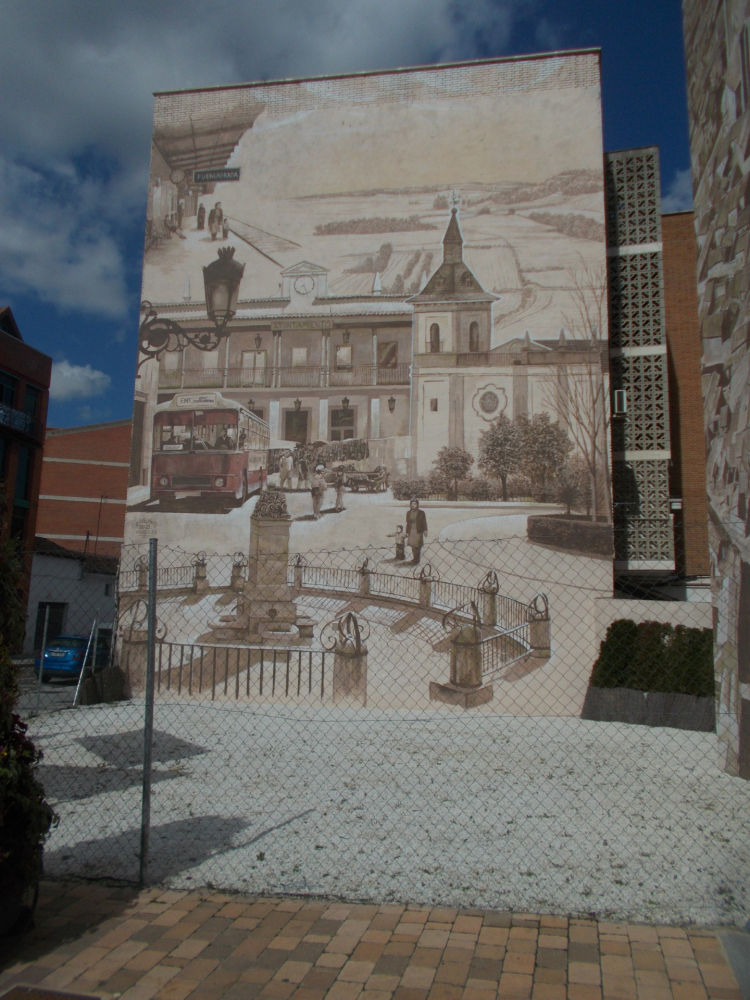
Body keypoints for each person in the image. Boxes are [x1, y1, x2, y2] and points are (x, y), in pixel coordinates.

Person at [405, 498, 428, 564]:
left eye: (415, 504)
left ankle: (417, 559)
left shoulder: (421, 513)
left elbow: (424, 522)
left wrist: (425, 530)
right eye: (412, 504)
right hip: (411, 531)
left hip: (418, 530)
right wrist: (407, 532)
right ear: (410, 505)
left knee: (417, 545)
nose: (413, 505)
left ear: (417, 504)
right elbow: (407, 523)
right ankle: (415, 558)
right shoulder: (408, 513)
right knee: (412, 545)